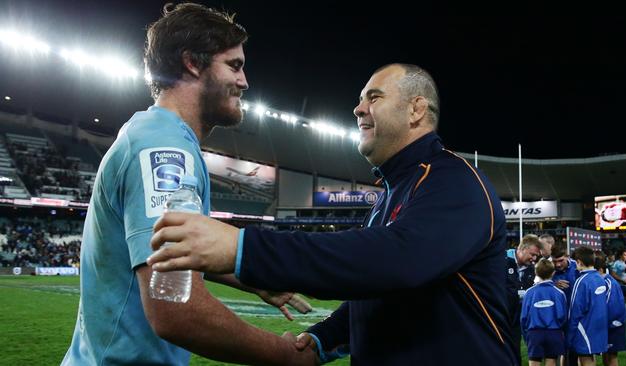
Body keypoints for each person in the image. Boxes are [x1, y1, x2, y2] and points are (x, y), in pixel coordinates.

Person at [147, 63, 517, 365]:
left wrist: (244, 247)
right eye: (360, 100)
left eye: (374, 97)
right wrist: (323, 340)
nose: (358, 109)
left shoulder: (455, 182)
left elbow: (397, 261)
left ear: (416, 110)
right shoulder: (391, 195)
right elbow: (379, 293)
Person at [61, 4, 314, 365]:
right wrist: (283, 355)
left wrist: (251, 279)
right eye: (234, 65)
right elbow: (173, 308)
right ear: (192, 63)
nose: (245, 82)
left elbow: (167, 252)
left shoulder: (154, 134)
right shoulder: (164, 150)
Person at [520, 258, 567, 366]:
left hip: (534, 333)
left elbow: (523, 318)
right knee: (551, 361)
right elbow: (563, 316)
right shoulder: (559, 293)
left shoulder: (529, 293)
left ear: (535, 273)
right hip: (554, 332)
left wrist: (526, 336)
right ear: (553, 273)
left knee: (534, 362)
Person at [566, 246, 608, 366]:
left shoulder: (581, 281)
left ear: (579, 262)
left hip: (584, 327)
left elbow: (575, 310)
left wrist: (570, 336)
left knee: (585, 360)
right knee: (590, 358)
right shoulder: (600, 279)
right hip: (599, 326)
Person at [505, 234, 543, 365]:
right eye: (532, 254)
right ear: (522, 249)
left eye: (536, 256)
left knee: (516, 351)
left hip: (519, 317)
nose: (534, 259)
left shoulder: (531, 269)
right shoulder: (501, 261)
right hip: (501, 315)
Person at [595, 252, 626, 366]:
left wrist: (607, 324)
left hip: (612, 326)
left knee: (611, 357)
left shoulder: (609, 283)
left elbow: (613, 307)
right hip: (607, 325)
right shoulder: (603, 281)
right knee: (606, 356)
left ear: (600, 270)